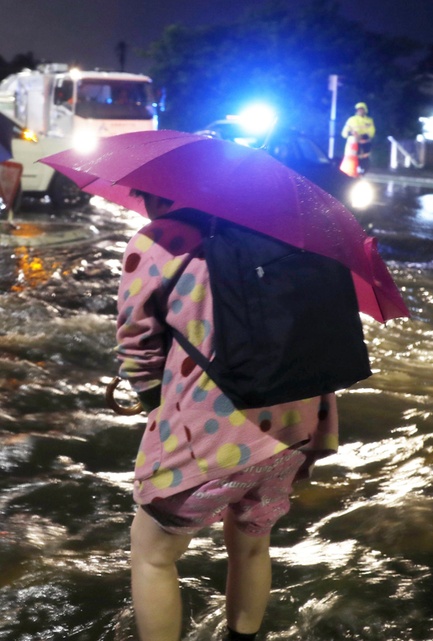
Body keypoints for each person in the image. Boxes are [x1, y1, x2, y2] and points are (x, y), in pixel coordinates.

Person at [119, 190, 339, 641]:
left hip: (211, 429)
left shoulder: (162, 237)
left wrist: (153, 402)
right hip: (294, 423)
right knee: (253, 544)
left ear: (156, 193)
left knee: (153, 554)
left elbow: (137, 344)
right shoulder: (286, 234)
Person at [342, 102, 375, 174]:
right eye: (358, 109)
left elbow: (372, 132)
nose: (360, 111)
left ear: (365, 110)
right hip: (352, 147)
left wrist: (362, 136)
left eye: (361, 109)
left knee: (364, 163)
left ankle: (362, 175)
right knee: (351, 163)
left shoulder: (369, 120)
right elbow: (344, 133)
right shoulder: (351, 119)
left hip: (365, 146)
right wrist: (352, 133)